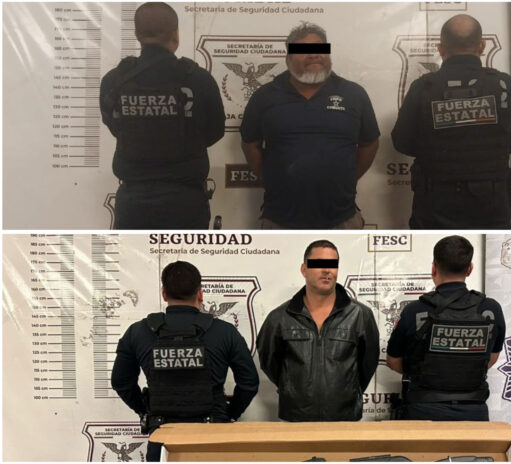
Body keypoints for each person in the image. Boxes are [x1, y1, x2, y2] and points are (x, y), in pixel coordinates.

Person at [111, 261, 259, 461]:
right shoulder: (225, 332)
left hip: (162, 438)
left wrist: (145, 410)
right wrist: (228, 414)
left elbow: (121, 382)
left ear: (164, 294)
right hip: (214, 436)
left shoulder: (137, 332)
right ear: (200, 294)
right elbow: (249, 382)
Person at [391, 14, 511, 229]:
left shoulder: (423, 87)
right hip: (491, 204)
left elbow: (402, 142)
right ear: (482, 46)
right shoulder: (504, 85)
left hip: (435, 203)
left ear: (440, 48)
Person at [240, 22, 380, 229]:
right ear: (288, 59)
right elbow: (250, 144)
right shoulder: (264, 96)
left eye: (320, 48)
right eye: (303, 50)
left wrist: (347, 179)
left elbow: (369, 143)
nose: (314, 55)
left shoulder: (354, 94)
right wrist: (272, 177)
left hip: (341, 218)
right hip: (278, 219)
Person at [100, 2, 225, 229]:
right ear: (176, 35)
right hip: (185, 201)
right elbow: (215, 132)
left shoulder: (114, 81)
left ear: (137, 35)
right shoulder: (199, 79)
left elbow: (115, 127)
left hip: (133, 202)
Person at [257, 240, 380, 421]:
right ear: (304, 269)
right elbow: (270, 363)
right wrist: (292, 390)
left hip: (345, 419)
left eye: (332, 265)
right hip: (295, 419)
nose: (327, 270)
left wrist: (347, 392)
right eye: (319, 264)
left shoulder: (360, 315)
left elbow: (367, 364)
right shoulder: (280, 317)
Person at [386, 236, 505, 421]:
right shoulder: (491, 309)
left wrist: (424, 372)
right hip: (474, 413)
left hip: (423, 412)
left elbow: (393, 361)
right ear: (470, 269)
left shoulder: (414, 310)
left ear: (433, 268)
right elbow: (491, 358)